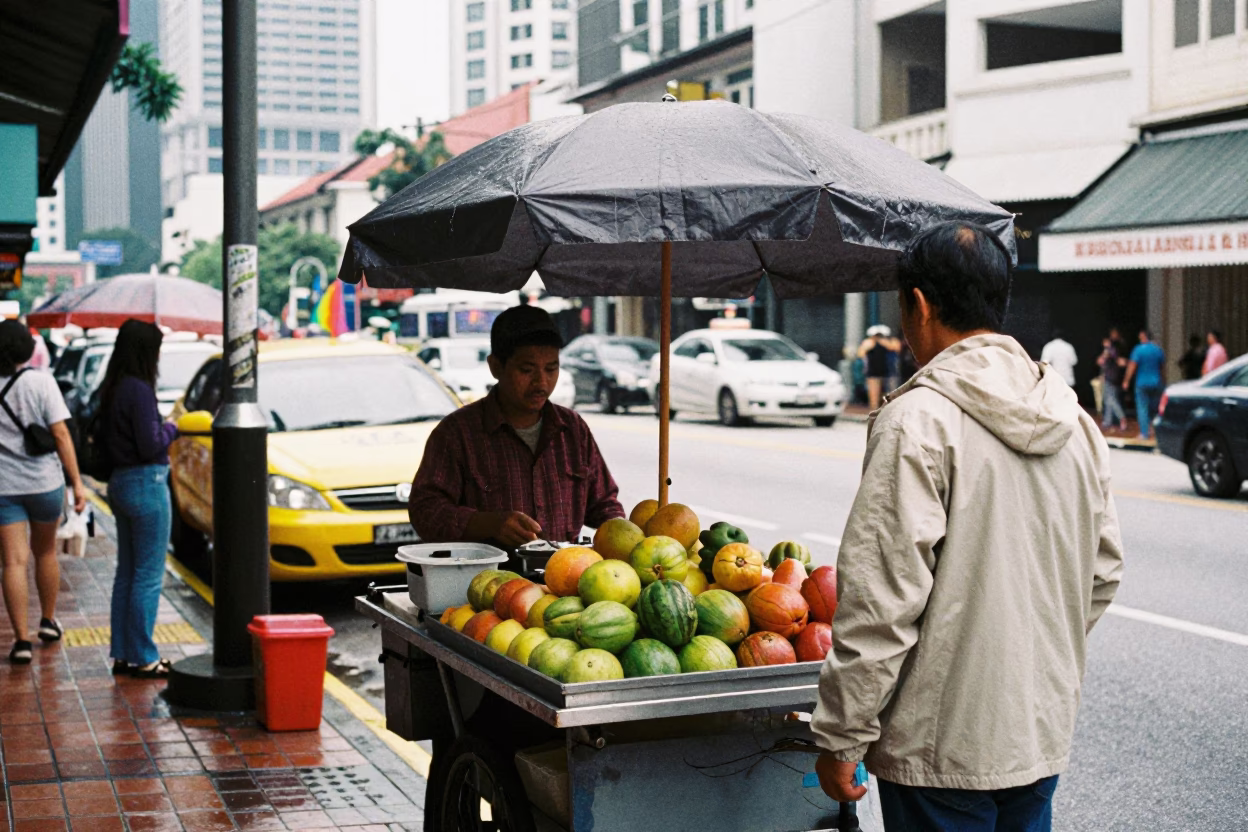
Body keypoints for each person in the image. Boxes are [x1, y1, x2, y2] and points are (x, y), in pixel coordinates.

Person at [811, 223, 1124, 832]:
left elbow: (881, 602)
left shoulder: (916, 421)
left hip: (940, 746)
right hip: (1037, 730)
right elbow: (1103, 570)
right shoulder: (1074, 420)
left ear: (919, 305)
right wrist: (1029, 652)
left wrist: (842, 735)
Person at [408, 305, 624, 549]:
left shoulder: (572, 430)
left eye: (551, 369)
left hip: (561, 581)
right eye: (527, 370)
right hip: (484, 582)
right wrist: (487, 524)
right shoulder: (457, 434)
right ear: (496, 367)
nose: (541, 382)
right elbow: (425, 512)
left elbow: (604, 504)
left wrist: (623, 534)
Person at [0, 320, 88, 664]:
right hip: (44, 485)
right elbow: (62, 435)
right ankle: (48, 622)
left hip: (4, 487)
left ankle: (21, 641)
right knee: (46, 553)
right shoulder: (41, 382)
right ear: (26, 349)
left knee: (13, 562)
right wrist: (77, 483)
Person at [99, 320, 179, 678]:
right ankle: (145, 656)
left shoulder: (113, 386)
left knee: (127, 573)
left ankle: (123, 653)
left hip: (120, 484)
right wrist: (173, 426)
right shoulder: (140, 390)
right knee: (147, 575)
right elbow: (151, 443)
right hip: (147, 484)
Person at [1124, 330, 1165, 440]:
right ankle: (1155, 431)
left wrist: (1126, 381)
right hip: (1156, 382)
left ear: (1143, 337)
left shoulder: (1138, 350)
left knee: (1142, 408)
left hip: (1142, 383)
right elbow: (1162, 367)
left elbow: (1132, 366)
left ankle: (1144, 433)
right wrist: (1162, 381)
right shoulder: (1158, 349)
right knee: (1155, 408)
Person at [857, 326, 902, 410]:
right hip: (873, 372)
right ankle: (874, 412)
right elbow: (860, 354)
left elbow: (896, 348)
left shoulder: (892, 341)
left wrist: (883, 342)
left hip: (890, 372)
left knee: (892, 395)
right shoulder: (868, 342)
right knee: (874, 396)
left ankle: (891, 411)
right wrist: (869, 344)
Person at [1097, 335, 1128, 432]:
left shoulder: (1109, 350)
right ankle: (1107, 421)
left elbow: (1101, 361)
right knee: (1108, 400)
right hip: (1111, 377)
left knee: (1111, 400)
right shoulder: (1112, 351)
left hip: (1110, 378)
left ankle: (1122, 417)